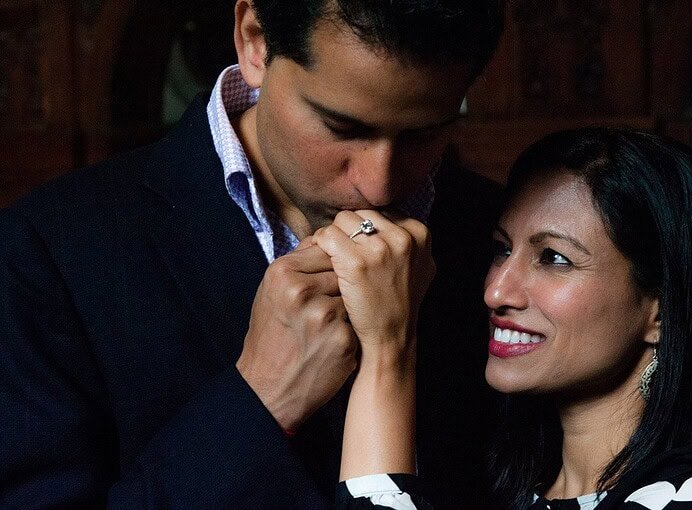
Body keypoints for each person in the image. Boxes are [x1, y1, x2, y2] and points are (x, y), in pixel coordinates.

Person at [0, 1, 505, 508]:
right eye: (342, 128)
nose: (378, 183)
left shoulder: (500, 237)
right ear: (255, 40)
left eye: (423, 133)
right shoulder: (48, 250)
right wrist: (258, 399)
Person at [324, 127, 692, 508]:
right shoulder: (509, 493)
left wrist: (387, 351)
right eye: (502, 249)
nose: (495, 291)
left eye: (554, 258)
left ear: (662, 313)